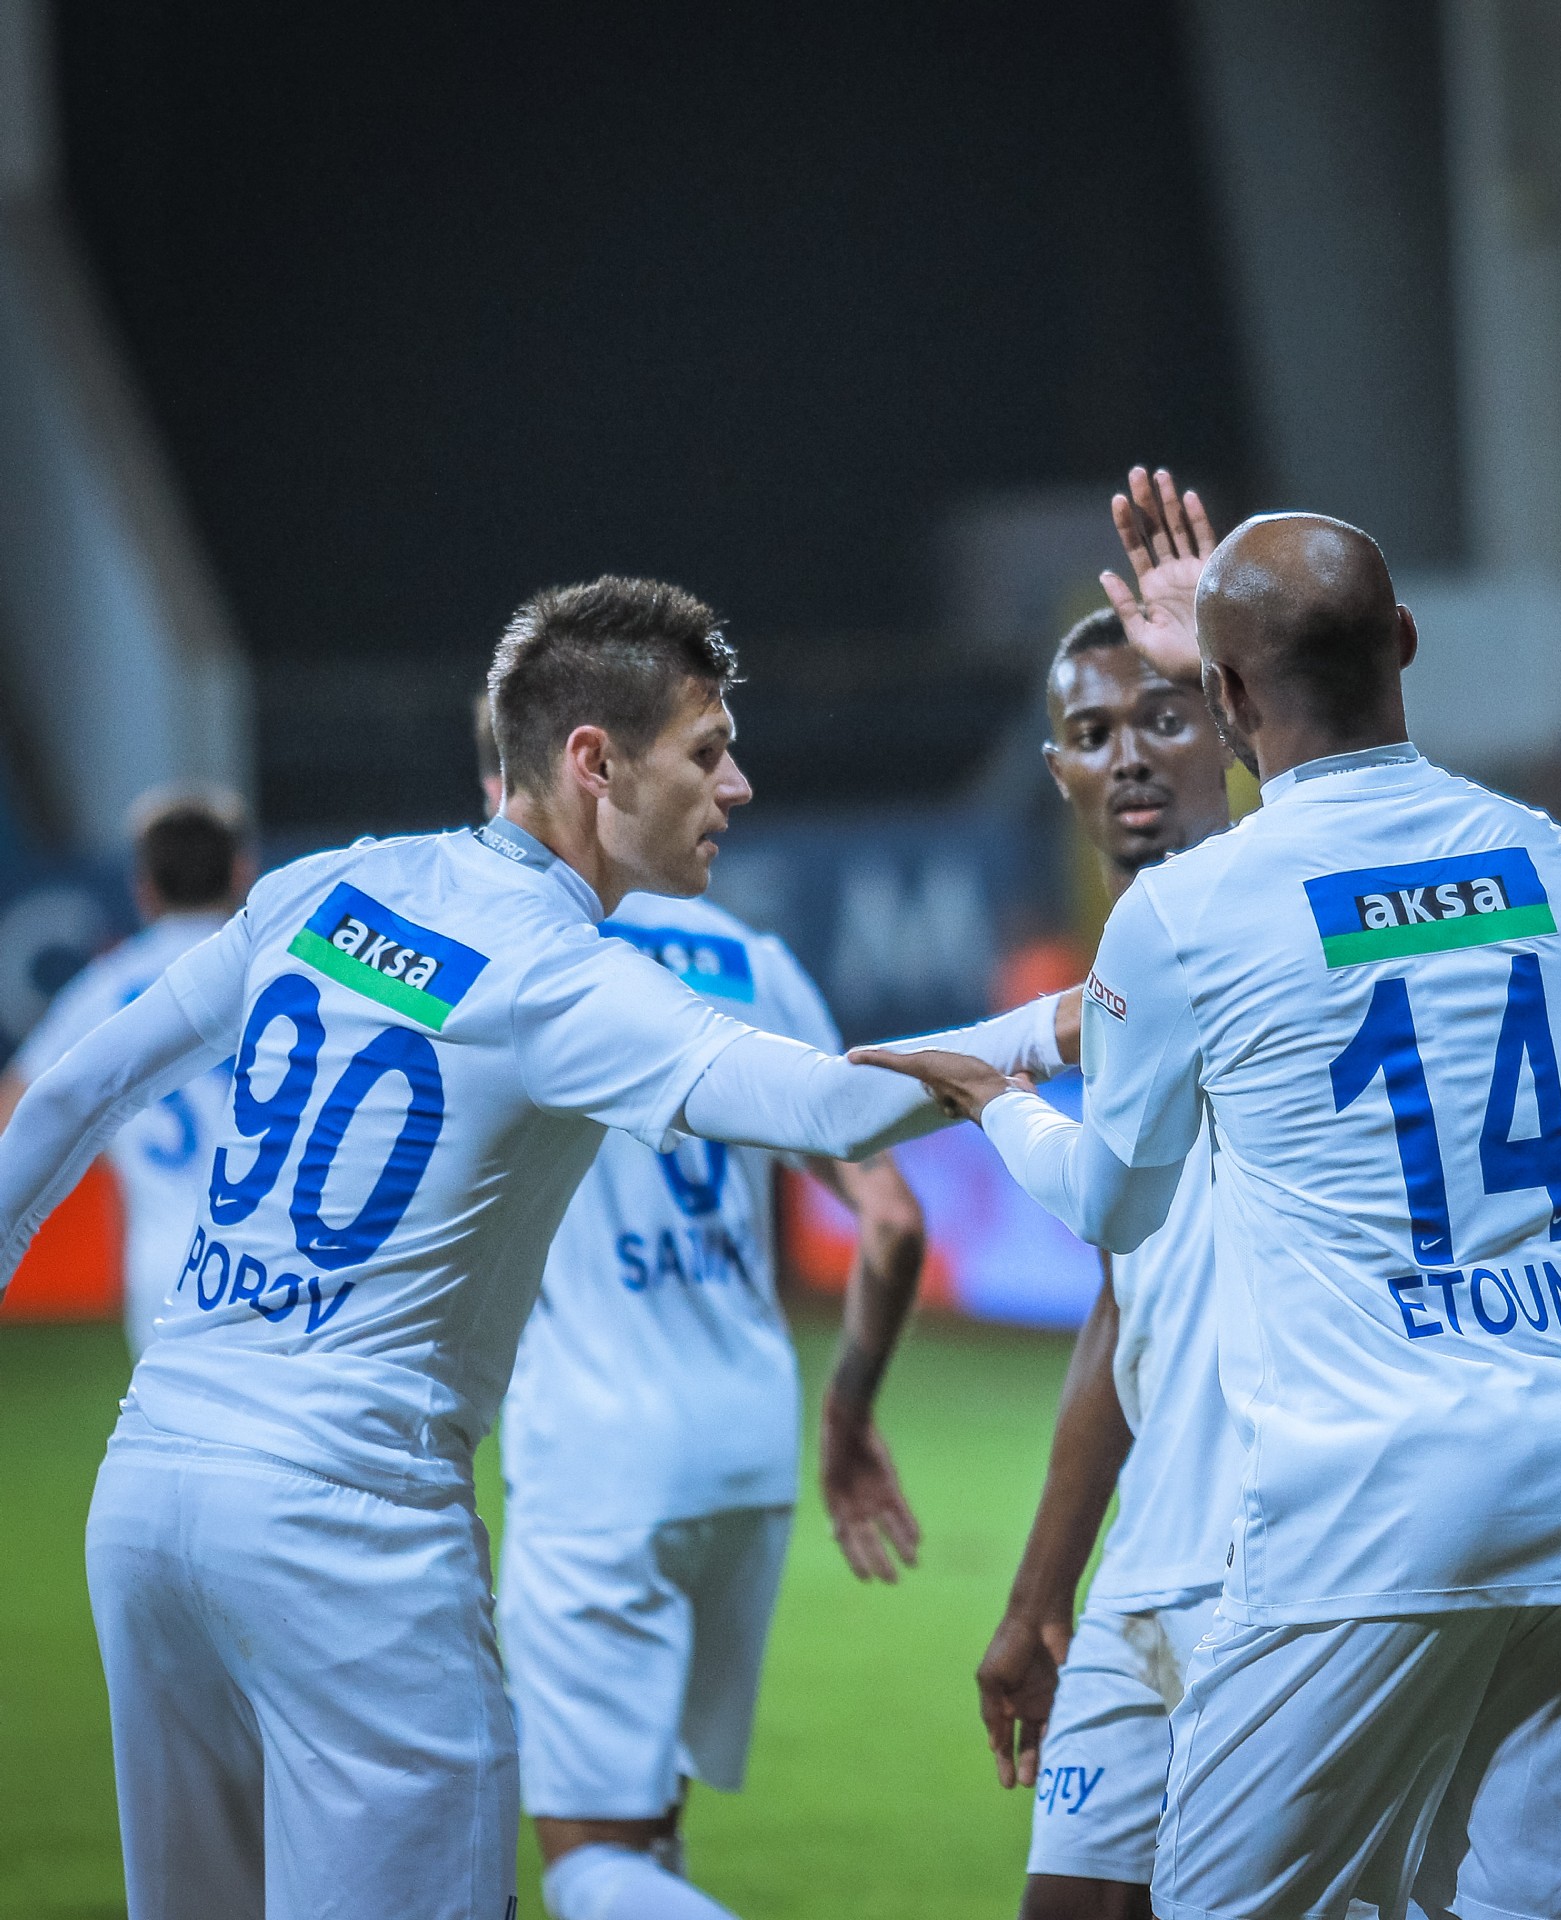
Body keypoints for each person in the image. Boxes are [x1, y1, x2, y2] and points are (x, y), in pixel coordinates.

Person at [0, 574, 997, 1920]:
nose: (739, 786)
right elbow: (832, 1110)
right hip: (347, 1528)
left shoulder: (329, 885)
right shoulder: (560, 974)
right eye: (708, 751)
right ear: (595, 764)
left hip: (150, 1487)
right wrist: (1084, 1018)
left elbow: (68, 1093)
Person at [861, 515, 1561, 1920]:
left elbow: (1110, 1201)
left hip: (1374, 1511)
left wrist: (989, 1097)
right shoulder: (1556, 862)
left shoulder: (1192, 911)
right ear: (1407, 643)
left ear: (1224, 698)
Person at [472, 702, 932, 1920]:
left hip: (600, 1453)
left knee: (593, 1865)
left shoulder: (522, 959)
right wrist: (848, 1416)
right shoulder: (752, 960)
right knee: (651, 1840)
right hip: (747, 1444)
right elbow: (890, 1220)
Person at [977, 468, 1239, 1920]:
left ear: (1236, 724)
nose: (1130, 756)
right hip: (1152, 1562)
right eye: (1093, 734)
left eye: (1166, 715)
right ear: (1058, 770)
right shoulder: (1129, 968)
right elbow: (1125, 1300)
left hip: (1301, 1554)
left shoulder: (1285, 922)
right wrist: (1039, 1596)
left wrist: (985, 1094)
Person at [0, 788, 252, 1356]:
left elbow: (21, 1110)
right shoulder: (278, 974)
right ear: (242, 870)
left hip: (163, 1270)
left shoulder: (107, 987)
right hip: (282, 1265)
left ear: (144, 885)